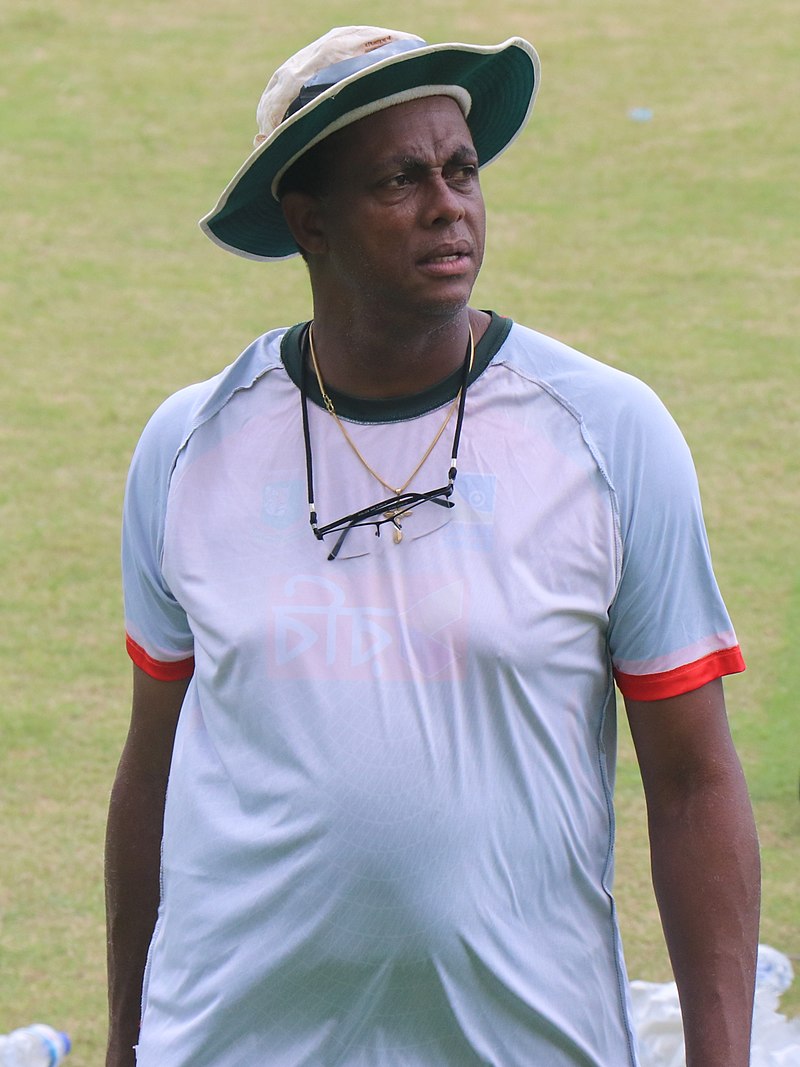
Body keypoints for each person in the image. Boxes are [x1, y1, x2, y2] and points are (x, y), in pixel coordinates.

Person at [105, 25, 761, 1067]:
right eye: (399, 179)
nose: (448, 204)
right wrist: (126, 1042)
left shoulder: (608, 433)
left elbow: (693, 784)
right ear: (308, 221)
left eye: (461, 170)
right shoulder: (189, 447)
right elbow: (154, 769)